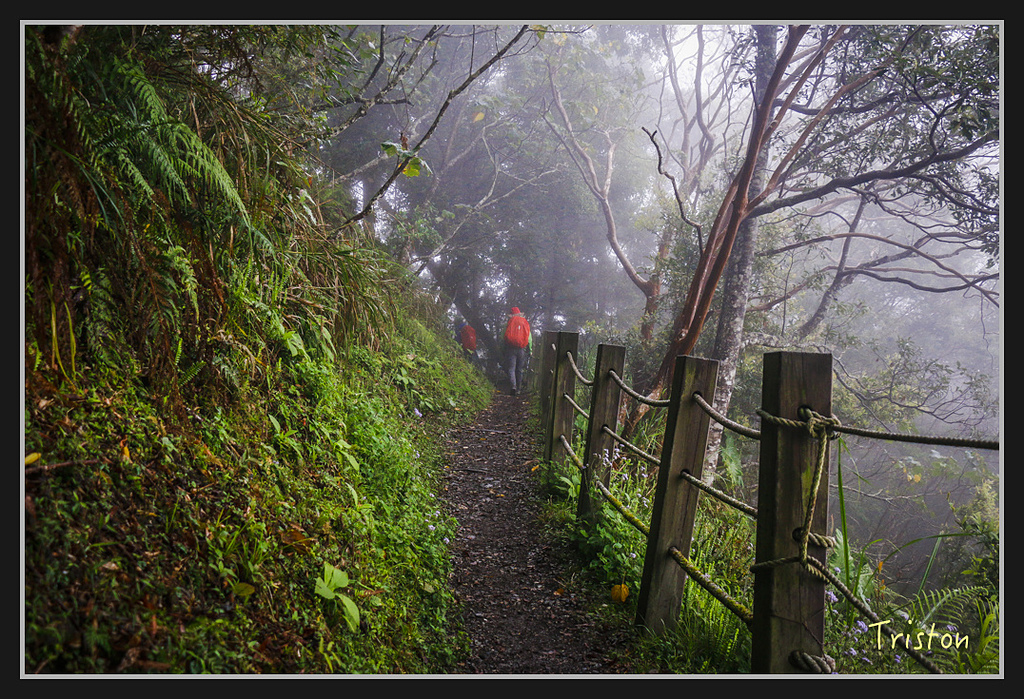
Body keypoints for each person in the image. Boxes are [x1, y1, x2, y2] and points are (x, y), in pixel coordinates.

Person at [503, 306, 532, 395]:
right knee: (519, 369)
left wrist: (504, 347)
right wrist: (530, 349)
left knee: (511, 368)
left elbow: (504, 335)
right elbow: (529, 337)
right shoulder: (524, 322)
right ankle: (519, 389)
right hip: (521, 349)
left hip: (511, 348)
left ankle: (513, 386)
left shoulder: (510, 322)